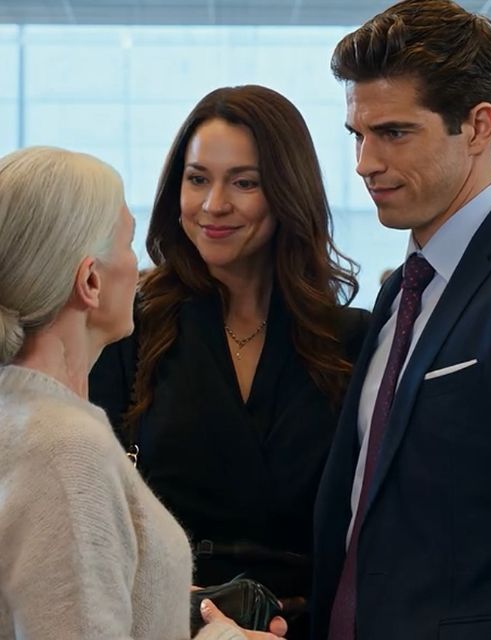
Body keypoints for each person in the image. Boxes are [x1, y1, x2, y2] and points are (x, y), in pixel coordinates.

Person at [89, 84, 370, 640]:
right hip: (166, 623)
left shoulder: (350, 340)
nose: (214, 205)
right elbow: (91, 512)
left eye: (244, 182)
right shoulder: (129, 326)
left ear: (287, 192)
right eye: (197, 179)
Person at [0, 145, 287, 639]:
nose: (140, 268)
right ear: (90, 280)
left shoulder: (24, 419)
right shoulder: (67, 451)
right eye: (129, 244)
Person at [311, 1, 491, 639]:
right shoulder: (403, 289)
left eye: (394, 133)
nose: (365, 162)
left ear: (478, 126)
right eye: (358, 135)